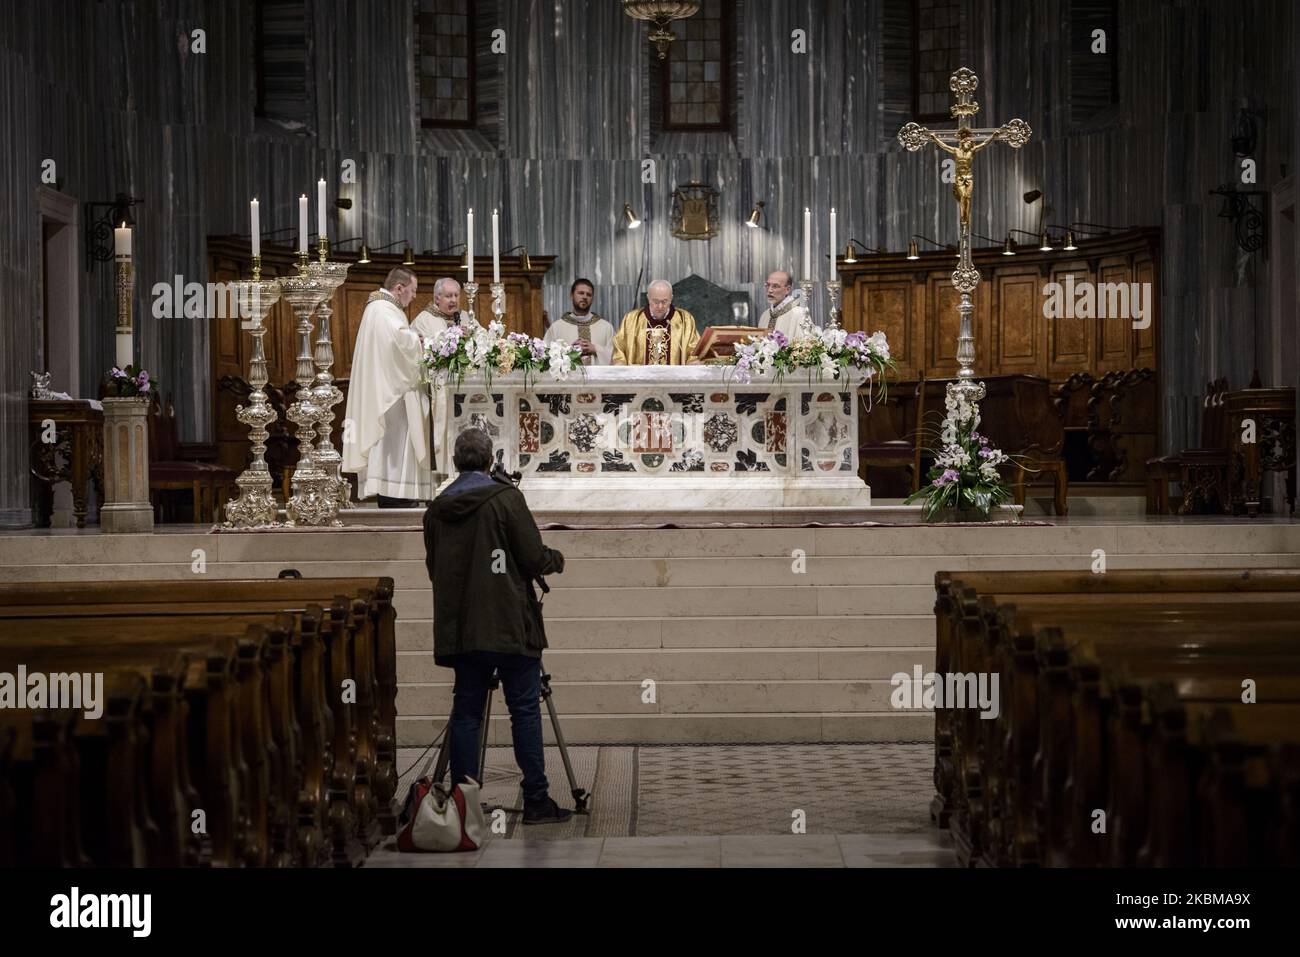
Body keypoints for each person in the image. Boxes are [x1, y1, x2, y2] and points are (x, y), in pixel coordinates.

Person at [423, 428, 572, 825]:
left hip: (463, 627)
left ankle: (463, 800)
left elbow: (434, 568)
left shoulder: (436, 509)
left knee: (467, 711)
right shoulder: (506, 499)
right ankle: (537, 801)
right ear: (490, 461)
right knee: (523, 709)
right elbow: (532, 556)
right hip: (508, 624)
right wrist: (555, 559)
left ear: (456, 461)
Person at [341, 266, 432, 507]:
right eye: (412, 291)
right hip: (391, 399)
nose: (414, 297)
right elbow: (399, 343)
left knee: (394, 448)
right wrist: (419, 340)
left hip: (387, 392)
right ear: (399, 288)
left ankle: (397, 495)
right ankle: (397, 496)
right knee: (395, 448)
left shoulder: (380, 309)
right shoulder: (383, 311)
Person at [416, 277, 484, 483]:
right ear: (437, 298)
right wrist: (450, 338)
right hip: (437, 391)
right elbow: (420, 353)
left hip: (467, 390)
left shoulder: (465, 317)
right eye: (448, 296)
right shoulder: (423, 320)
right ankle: (437, 481)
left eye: (456, 295)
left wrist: (471, 338)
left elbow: (484, 342)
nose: (453, 300)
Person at [611, 279, 700, 365]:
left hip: (674, 378)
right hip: (640, 379)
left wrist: (693, 362)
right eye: (656, 301)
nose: (660, 306)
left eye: (664, 301)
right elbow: (619, 348)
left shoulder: (685, 319)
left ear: (671, 298)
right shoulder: (631, 319)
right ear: (648, 298)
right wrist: (620, 363)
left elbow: (694, 349)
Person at [543, 278, 614, 365]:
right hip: (569, 378)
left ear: (592, 299)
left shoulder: (606, 327)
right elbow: (545, 357)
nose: (584, 297)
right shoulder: (556, 327)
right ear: (571, 295)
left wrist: (595, 349)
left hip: (598, 378)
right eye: (581, 293)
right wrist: (570, 351)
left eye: (589, 294)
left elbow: (616, 357)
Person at [757, 270, 811, 340]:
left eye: (775, 286)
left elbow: (806, 346)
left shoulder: (800, 314)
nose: (769, 290)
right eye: (767, 285)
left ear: (787, 289)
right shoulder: (765, 315)